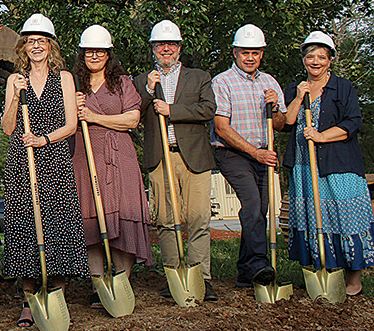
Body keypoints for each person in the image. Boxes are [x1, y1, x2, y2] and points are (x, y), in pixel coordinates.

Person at [0, 14, 86, 328]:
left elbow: (72, 125)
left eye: (42, 41)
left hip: (55, 157)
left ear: (50, 46)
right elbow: (9, 128)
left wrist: (44, 139)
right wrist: (16, 96)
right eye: (31, 41)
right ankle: (28, 299)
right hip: (22, 161)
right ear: (24, 46)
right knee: (25, 223)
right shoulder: (14, 79)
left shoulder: (64, 77)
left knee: (57, 222)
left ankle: (56, 294)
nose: (36, 46)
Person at [282, 31, 374, 296]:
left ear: (330, 60)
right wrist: (299, 97)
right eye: (310, 56)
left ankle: (353, 279)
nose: (315, 61)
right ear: (303, 60)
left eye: (321, 56)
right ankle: (322, 274)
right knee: (314, 219)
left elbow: (353, 123)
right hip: (304, 167)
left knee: (346, 220)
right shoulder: (294, 88)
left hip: (339, 166)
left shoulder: (343, 87)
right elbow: (287, 123)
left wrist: (321, 136)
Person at [70, 25, 152, 307]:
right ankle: (99, 287)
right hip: (84, 155)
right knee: (91, 220)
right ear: (82, 54)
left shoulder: (122, 83)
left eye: (100, 51)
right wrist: (73, 107)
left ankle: (121, 282)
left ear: (108, 54)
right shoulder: (72, 85)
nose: (95, 55)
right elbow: (63, 122)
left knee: (124, 216)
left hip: (119, 156)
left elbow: (131, 120)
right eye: (89, 51)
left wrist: (93, 116)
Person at [138, 20, 218, 301]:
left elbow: (208, 109)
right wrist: (148, 91)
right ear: (153, 49)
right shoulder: (143, 81)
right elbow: (134, 114)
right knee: (165, 219)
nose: (166, 49)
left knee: (198, 217)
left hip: (193, 156)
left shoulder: (199, 77)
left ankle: (201, 278)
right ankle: (173, 274)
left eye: (171, 44)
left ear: (180, 48)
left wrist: (172, 110)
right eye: (161, 45)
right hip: (161, 158)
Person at [210, 24, 286, 289]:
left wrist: (275, 106)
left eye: (255, 52)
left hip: (263, 154)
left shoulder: (270, 83)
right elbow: (221, 127)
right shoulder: (222, 82)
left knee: (260, 212)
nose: (250, 57)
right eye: (245, 52)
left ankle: (245, 273)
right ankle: (259, 264)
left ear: (261, 54)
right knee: (253, 204)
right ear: (235, 52)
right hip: (233, 154)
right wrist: (256, 153)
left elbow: (279, 124)